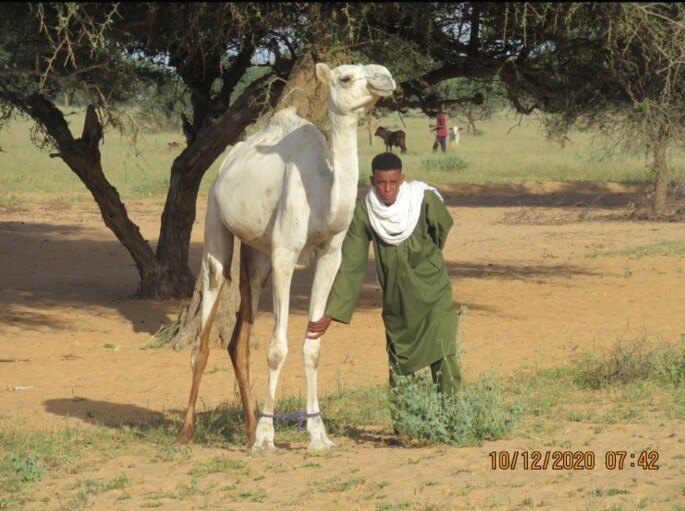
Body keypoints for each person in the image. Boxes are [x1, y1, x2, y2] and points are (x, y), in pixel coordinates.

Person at [307, 152, 462, 438]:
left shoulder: (423, 199)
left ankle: (453, 424)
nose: (387, 189)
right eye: (381, 183)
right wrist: (331, 312)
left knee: (444, 354)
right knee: (400, 362)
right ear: (372, 181)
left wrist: (424, 261)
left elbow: (442, 227)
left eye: (392, 182)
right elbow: (351, 264)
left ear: (401, 180)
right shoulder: (365, 212)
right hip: (396, 298)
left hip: (434, 293)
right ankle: (405, 429)